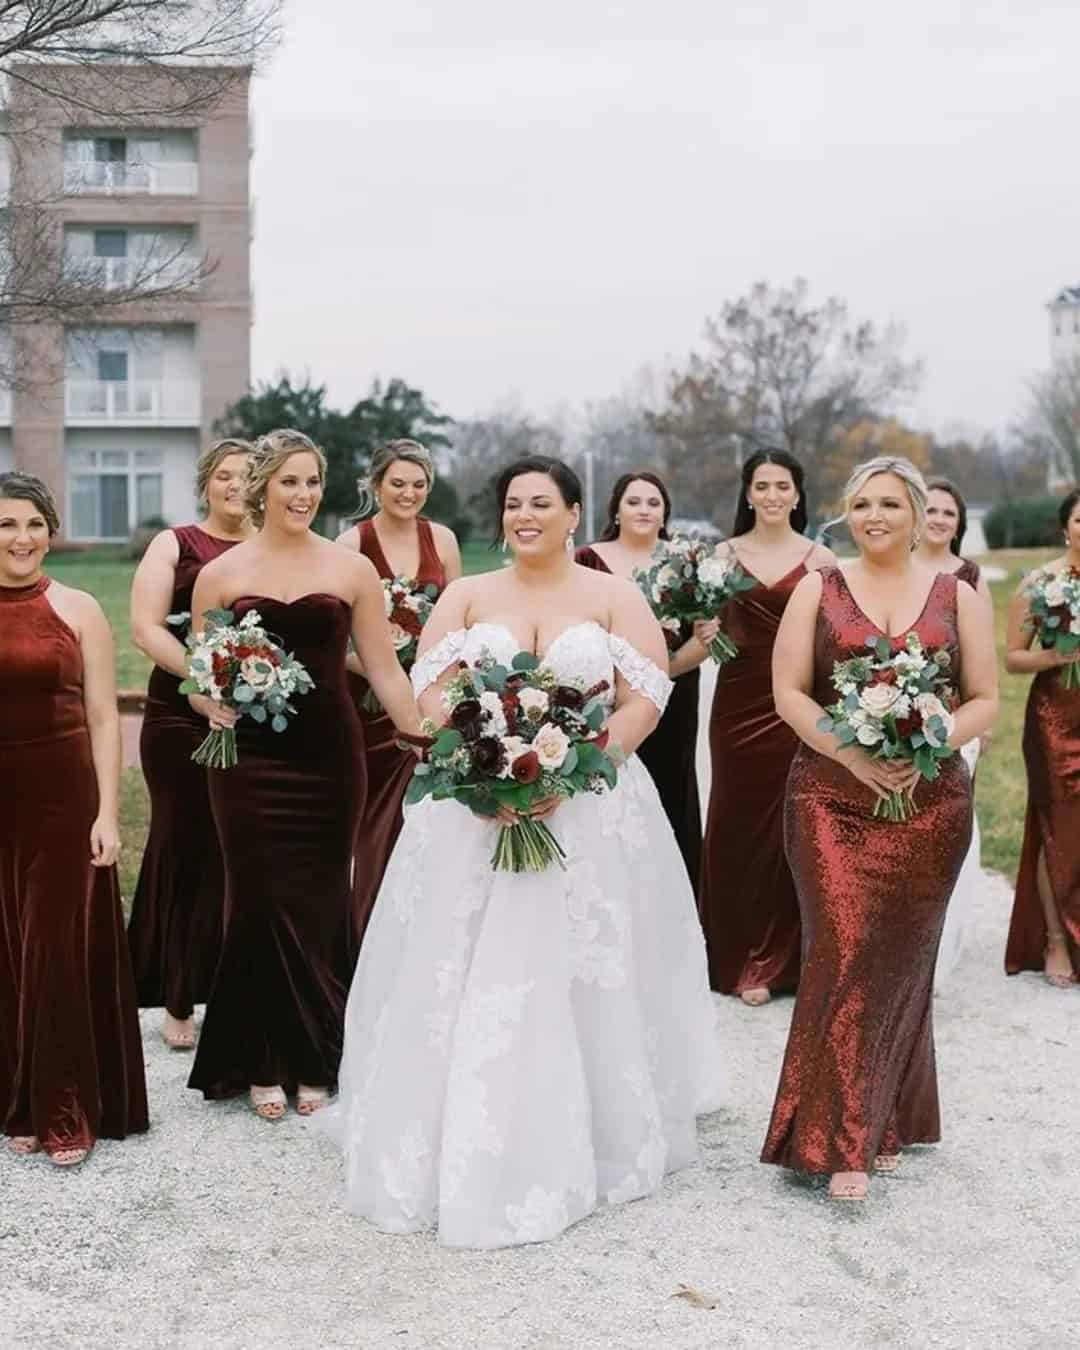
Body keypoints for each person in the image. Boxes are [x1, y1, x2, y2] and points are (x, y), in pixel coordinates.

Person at [320, 456, 723, 1248]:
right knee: (463, 958)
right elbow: (430, 689)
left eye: (542, 503)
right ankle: (450, 1125)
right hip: (478, 807)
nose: (524, 516)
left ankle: (594, 1125)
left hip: (590, 807)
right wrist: (481, 757)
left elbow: (649, 694)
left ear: (576, 513)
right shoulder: (470, 594)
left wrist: (582, 767)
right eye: (513, 504)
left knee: (583, 960)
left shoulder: (611, 594)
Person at [760, 457, 997, 1201]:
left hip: (930, 805)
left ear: (919, 511)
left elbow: (985, 698)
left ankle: (888, 1113)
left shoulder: (957, 595)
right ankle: (841, 1142)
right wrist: (853, 752)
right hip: (830, 797)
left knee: (901, 958)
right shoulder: (816, 588)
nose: (874, 517)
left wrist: (927, 742)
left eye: (890, 504)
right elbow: (789, 693)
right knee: (843, 947)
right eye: (862, 504)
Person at [185, 429, 422, 1121]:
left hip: (328, 757)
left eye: (313, 482)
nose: (304, 494)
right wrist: (215, 703)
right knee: (256, 899)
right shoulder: (220, 575)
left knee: (322, 899)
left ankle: (318, 1052)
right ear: (261, 487)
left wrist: (425, 735)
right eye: (290, 481)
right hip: (249, 761)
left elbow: (383, 670)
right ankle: (262, 1057)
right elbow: (199, 680)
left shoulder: (351, 572)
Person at [0, 472, 148, 1166]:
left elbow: (101, 718)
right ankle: (19, 1097)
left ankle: (64, 1106)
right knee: (5, 946)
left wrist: (108, 814)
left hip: (62, 796)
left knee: (52, 948)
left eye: (32, 524)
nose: (20, 538)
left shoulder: (79, 607)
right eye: (5, 525)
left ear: (51, 531)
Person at [127, 438, 255, 1050]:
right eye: (225, 475)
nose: (236, 485)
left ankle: (235, 986)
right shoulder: (175, 545)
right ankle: (176, 991)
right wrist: (203, 684)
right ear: (206, 483)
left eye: (248, 476)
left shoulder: (271, 548)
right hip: (179, 715)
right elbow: (146, 628)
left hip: (258, 717)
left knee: (244, 853)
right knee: (184, 843)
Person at [697, 450, 834, 1004]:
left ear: (798, 495)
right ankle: (739, 957)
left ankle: (792, 960)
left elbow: (832, 636)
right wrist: (707, 631)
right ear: (748, 494)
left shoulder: (822, 558)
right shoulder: (721, 556)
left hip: (798, 701)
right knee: (737, 820)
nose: (773, 495)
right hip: (739, 703)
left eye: (783, 486)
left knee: (796, 823)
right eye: (763, 485)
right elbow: (706, 624)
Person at [335, 439, 461, 947]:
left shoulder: (444, 540)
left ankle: (424, 933)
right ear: (375, 484)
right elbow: (336, 641)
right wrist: (382, 668)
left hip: (431, 697)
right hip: (367, 700)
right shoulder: (351, 544)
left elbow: (457, 624)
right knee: (373, 821)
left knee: (430, 815)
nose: (409, 493)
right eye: (398, 483)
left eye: (419, 484)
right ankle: (368, 933)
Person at [575, 470, 716, 884]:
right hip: (601, 699)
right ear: (616, 509)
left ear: (665, 514)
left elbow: (705, 637)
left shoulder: (686, 562)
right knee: (605, 784)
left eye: (653, 503)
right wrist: (620, 686)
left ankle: (677, 890)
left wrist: (650, 679)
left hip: (673, 695)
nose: (643, 509)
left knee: (673, 786)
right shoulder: (586, 559)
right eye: (634, 501)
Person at [916, 477, 992, 993]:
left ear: (959, 525)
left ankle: (938, 946)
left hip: (952, 717)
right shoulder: (894, 572)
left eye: (950, 513)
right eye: (933, 510)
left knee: (947, 830)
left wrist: (973, 728)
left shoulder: (969, 578)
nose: (941, 519)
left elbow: (979, 659)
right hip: (893, 712)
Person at [1004, 487, 1080, 987]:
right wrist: (1057, 656)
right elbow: (1013, 657)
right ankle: (1056, 941)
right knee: (1056, 823)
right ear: (1065, 526)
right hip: (1058, 712)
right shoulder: (1040, 583)